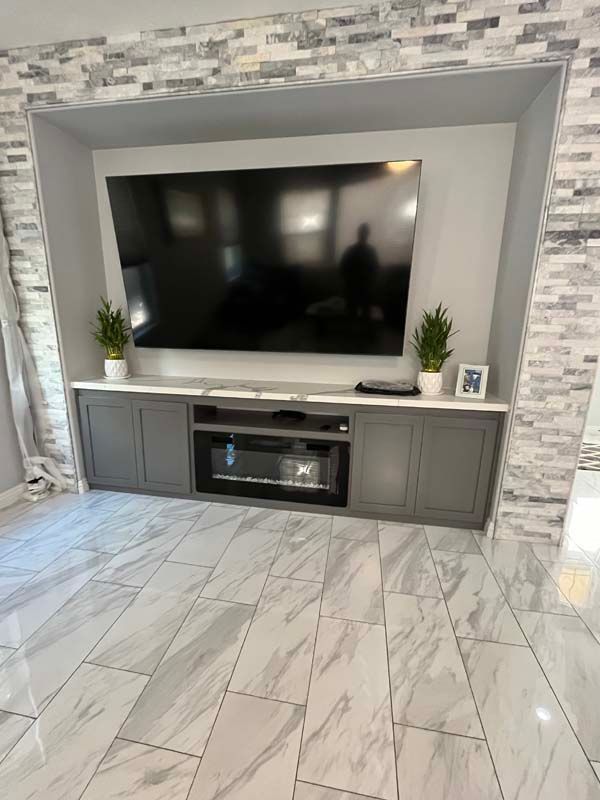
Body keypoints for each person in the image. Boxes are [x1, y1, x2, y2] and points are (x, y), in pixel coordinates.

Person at [340, 223, 379, 319]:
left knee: (360, 312)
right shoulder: (369, 251)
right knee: (354, 312)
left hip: (360, 287)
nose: (363, 235)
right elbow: (343, 268)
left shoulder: (354, 250)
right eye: (362, 233)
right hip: (355, 287)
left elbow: (375, 269)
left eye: (364, 233)